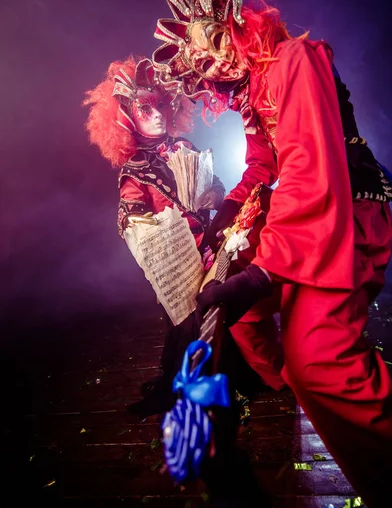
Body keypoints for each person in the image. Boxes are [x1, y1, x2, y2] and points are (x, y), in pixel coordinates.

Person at [152, 0, 392, 507]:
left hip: (344, 219)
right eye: (199, 65)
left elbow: (309, 168)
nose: (210, 65)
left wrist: (264, 272)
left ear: (236, 26)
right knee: (243, 318)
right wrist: (226, 210)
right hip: (302, 215)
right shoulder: (251, 92)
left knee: (320, 360)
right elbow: (266, 164)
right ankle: (310, 397)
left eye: (212, 45)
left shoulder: (294, 60)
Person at [84, 56, 284, 418]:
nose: (157, 115)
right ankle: (186, 386)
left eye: (160, 106)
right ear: (127, 118)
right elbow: (133, 214)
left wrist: (213, 196)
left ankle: (235, 377)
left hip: (211, 247)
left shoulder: (186, 147)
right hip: (172, 256)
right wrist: (147, 224)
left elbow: (218, 188)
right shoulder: (133, 170)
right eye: (145, 110)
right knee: (182, 323)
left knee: (224, 311)